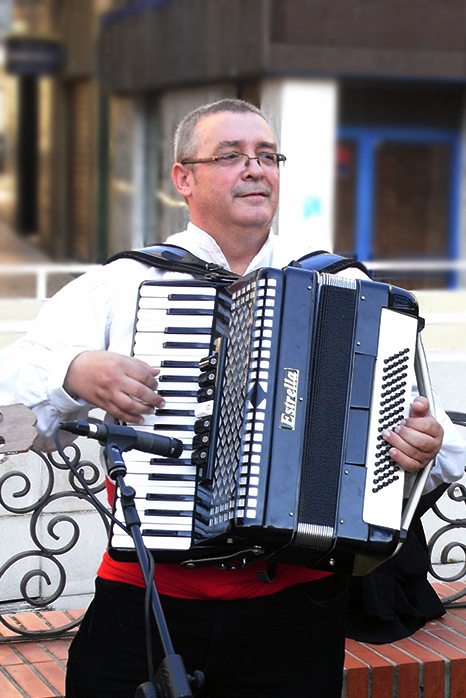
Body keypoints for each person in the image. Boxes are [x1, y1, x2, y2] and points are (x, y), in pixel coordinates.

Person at [1, 99, 465, 698]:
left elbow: (428, 436)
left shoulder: (346, 288)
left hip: (293, 616)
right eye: (231, 155)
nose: (256, 168)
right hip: (146, 605)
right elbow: (11, 410)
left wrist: (422, 447)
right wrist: (72, 371)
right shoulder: (122, 286)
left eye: (267, 156)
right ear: (183, 179)